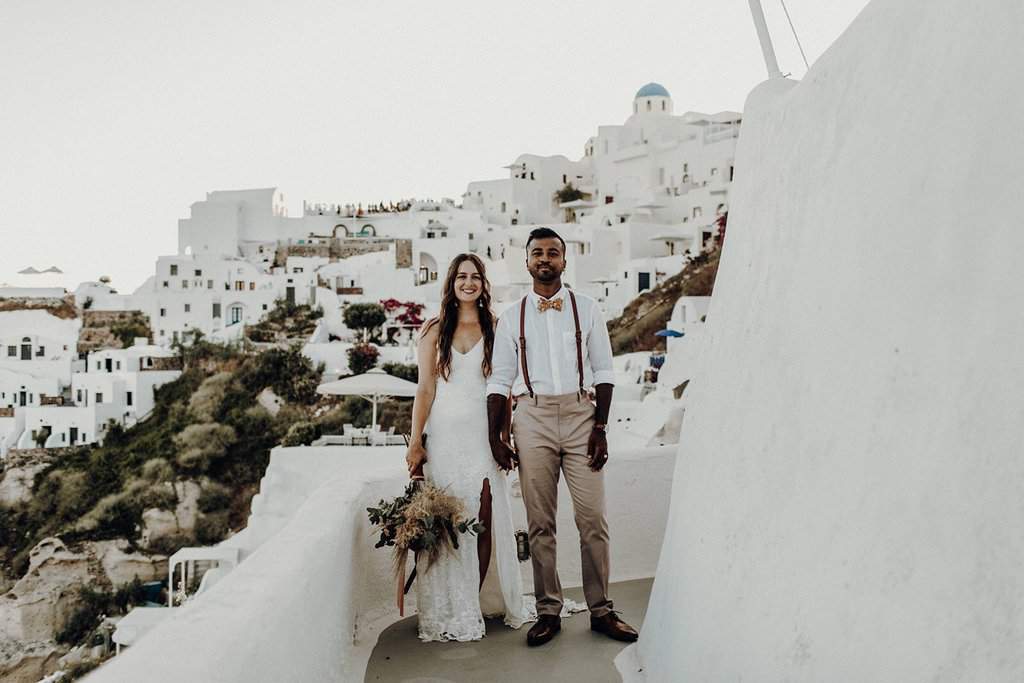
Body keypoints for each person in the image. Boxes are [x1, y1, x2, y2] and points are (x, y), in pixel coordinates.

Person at [485, 227, 639, 647]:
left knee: (593, 520)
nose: (545, 259)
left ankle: (602, 610)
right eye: (538, 253)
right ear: (527, 261)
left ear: (565, 260)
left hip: (579, 416)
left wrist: (601, 428)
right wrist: (496, 437)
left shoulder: (586, 308)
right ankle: (548, 611)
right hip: (531, 417)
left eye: (553, 252)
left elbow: (604, 371)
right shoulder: (511, 315)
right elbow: (500, 379)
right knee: (540, 524)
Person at [406, 253, 532, 642]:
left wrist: (503, 438)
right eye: (461, 276)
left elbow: (506, 391)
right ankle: (450, 606)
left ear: (483, 284)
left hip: (483, 437)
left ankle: (473, 601)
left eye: (475, 277)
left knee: (485, 517)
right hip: (444, 437)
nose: (468, 283)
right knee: (450, 521)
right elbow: (425, 390)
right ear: (451, 282)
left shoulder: (497, 329)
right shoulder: (433, 331)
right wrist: (415, 442)